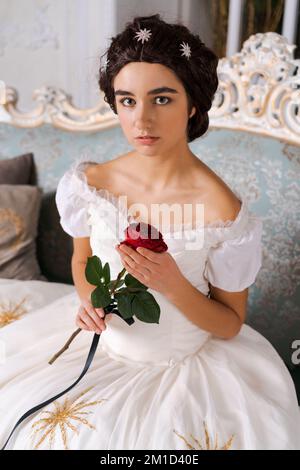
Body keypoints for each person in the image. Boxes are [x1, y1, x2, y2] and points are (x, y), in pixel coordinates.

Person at [1, 13, 299, 450]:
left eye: (161, 100)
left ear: (192, 103)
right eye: (127, 101)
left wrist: (173, 285)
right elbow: (82, 261)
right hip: (103, 352)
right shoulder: (92, 184)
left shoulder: (222, 211)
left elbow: (230, 324)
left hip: (184, 375)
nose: (141, 120)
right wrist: (89, 301)